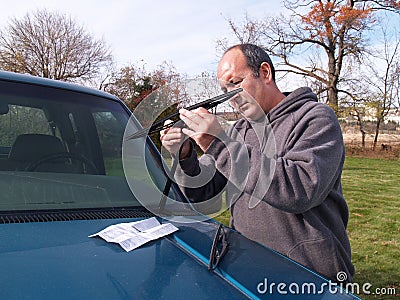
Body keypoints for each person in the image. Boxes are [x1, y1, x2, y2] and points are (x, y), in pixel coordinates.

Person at [160, 43, 354, 283]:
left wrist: (219, 143)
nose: (230, 96)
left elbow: (299, 189)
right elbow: (203, 191)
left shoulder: (315, 117)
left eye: (236, 83)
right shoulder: (239, 131)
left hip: (310, 273)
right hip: (248, 266)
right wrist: (184, 155)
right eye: (223, 89)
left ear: (265, 73)